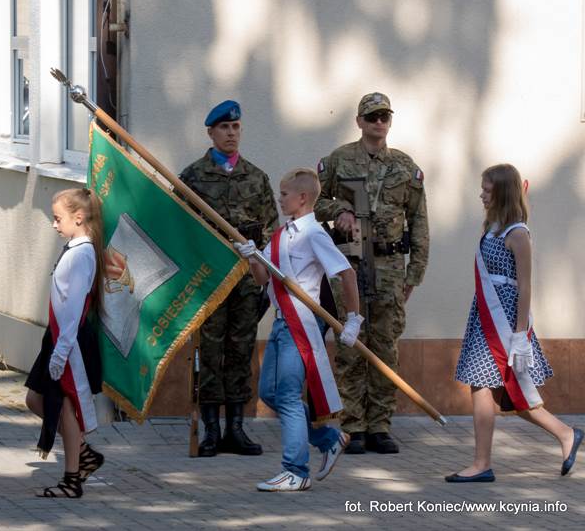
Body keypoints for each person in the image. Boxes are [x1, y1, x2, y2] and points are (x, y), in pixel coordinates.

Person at [445, 164, 582, 482]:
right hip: (484, 317)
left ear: (503, 193)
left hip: (506, 323)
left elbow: (525, 286)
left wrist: (520, 335)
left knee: (503, 391)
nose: (481, 194)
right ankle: (565, 434)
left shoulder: (518, 234)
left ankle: (482, 464)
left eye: (487, 190)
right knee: (501, 392)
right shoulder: (492, 227)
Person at [315, 92, 429, 454]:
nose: (378, 122)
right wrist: (341, 208)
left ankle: (380, 425)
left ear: (390, 122)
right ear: (360, 121)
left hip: (391, 267)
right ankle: (353, 425)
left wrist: (415, 274)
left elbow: (420, 222)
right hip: (348, 264)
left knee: (385, 346)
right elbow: (314, 203)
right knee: (350, 344)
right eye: (372, 116)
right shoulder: (338, 160)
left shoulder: (404, 167)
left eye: (384, 116)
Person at [236, 168, 363, 491]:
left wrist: (353, 319)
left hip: (303, 321)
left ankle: (296, 470)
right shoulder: (283, 234)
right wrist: (253, 258)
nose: (279, 199)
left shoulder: (314, 234)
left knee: (289, 395)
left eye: (284, 194)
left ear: (302, 198)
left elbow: (346, 273)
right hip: (281, 321)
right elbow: (263, 279)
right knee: (269, 393)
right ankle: (328, 438)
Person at [179, 100, 279, 457]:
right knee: (210, 351)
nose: (231, 134)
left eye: (236, 128)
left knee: (240, 350)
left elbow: (271, 228)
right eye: (224, 128)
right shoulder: (192, 177)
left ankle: (236, 428)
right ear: (211, 132)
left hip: (246, 282)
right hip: (210, 280)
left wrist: (264, 273)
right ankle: (210, 430)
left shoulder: (256, 177)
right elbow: (180, 230)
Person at [25, 187, 105, 498]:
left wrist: (61, 352)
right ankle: (84, 453)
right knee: (36, 400)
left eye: (58, 218)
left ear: (79, 217)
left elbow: (72, 309)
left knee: (64, 408)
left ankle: (72, 478)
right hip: (58, 337)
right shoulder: (75, 249)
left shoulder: (82, 254)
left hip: (68, 340)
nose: (54, 224)